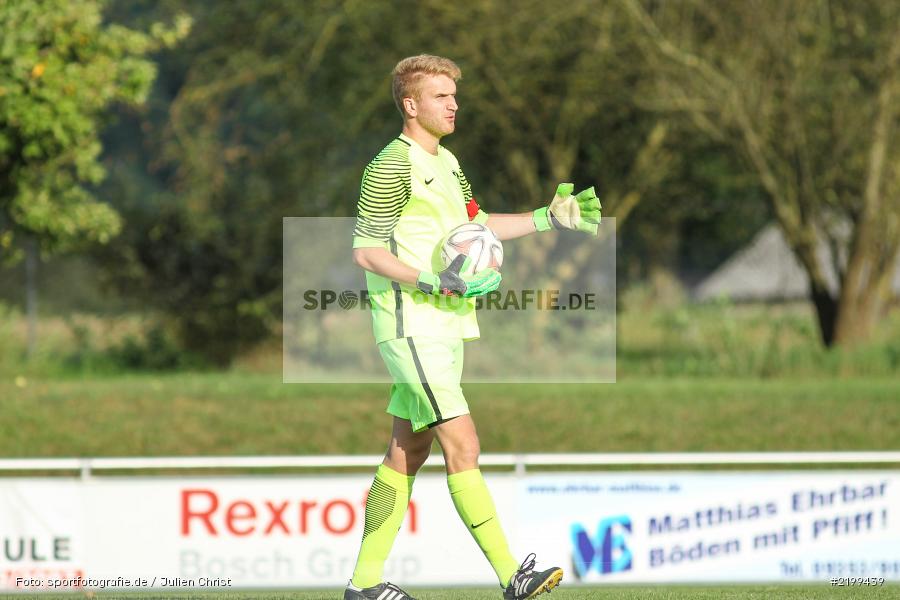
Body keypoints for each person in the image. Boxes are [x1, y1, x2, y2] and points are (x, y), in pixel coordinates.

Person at [345, 54, 601, 600]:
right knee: (463, 443)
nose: (454, 104)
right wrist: (433, 281)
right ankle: (514, 576)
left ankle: (364, 585)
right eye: (441, 96)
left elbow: (477, 226)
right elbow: (365, 253)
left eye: (454, 95)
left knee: (406, 452)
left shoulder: (450, 162)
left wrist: (546, 217)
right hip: (409, 324)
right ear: (411, 105)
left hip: (446, 327)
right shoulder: (390, 164)